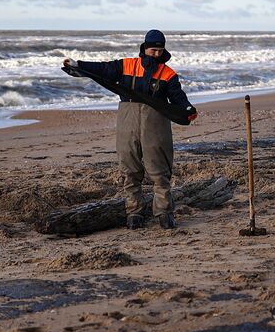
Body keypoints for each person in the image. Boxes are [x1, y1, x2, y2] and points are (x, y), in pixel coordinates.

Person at [63, 30, 197, 229]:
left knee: (159, 170)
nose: (157, 55)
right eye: (153, 50)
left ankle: (164, 213)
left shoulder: (168, 74)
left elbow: (177, 96)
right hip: (128, 118)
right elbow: (103, 69)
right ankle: (134, 213)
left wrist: (187, 108)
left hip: (156, 122)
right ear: (145, 48)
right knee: (129, 168)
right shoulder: (127, 65)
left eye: (160, 51)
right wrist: (78, 65)